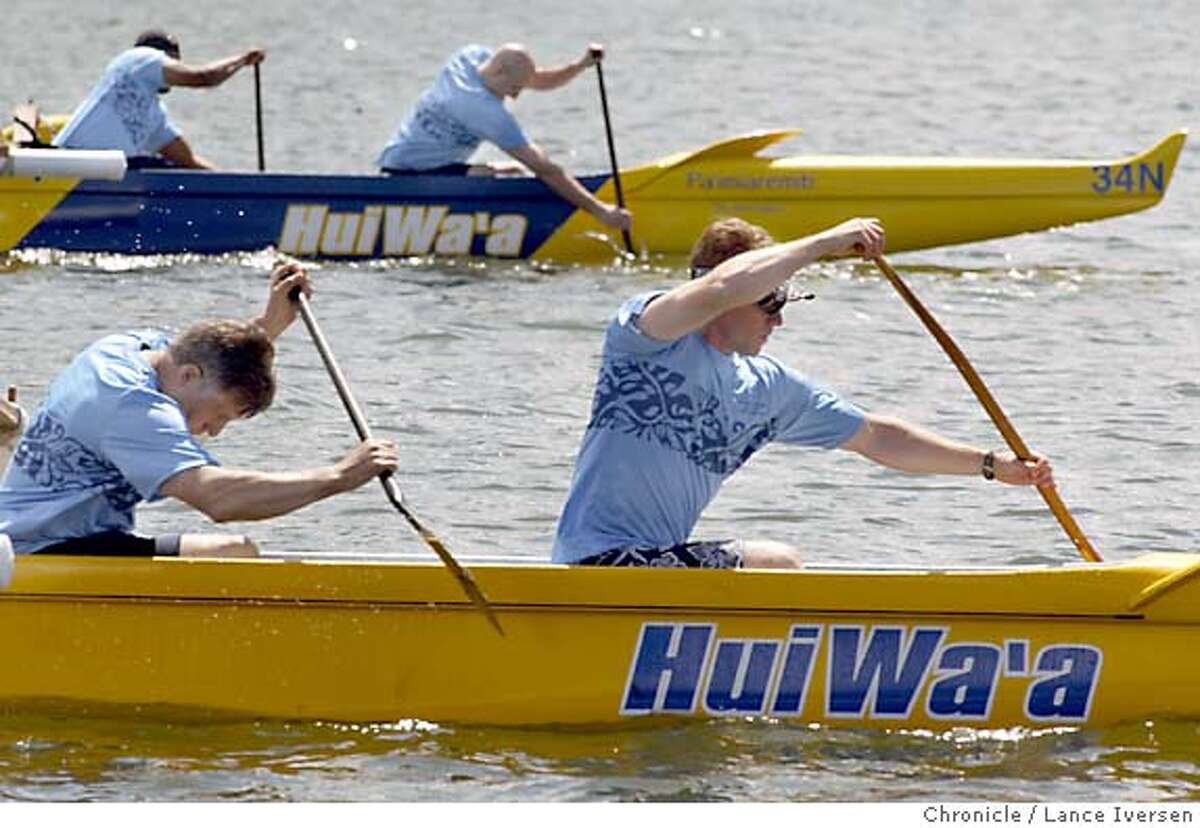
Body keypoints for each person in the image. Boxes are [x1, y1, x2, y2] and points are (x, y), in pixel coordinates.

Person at [552, 216, 1055, 569]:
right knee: (778, 562)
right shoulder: (646, 337)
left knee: (771, 562)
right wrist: (823, 243)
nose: (779, 318)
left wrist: (992, 465)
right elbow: (722, 290)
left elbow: (877, 438)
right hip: (597, 564)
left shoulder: (768, 388)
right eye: (771, 300)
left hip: (656, 569)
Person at [0, 263, 399, 558]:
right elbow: (219, 501)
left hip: (45, 532)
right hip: (39, 551)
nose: (213, 431)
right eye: (219, 414)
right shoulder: (135, 410)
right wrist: (339, 476)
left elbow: (208, 350)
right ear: (189, 376)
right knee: (231, 552)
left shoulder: (130, 348)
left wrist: (266, 327)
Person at [377, 43, 632, 233]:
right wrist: (601, 210)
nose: (516, 97)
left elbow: (538, 79)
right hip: (412, 178)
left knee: (512, 170)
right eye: (514, 89)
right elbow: (545, 168)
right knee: (522, 169)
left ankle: (479, 172)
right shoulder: (484, 110)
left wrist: (580, 65)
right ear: (500, 72)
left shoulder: (470, 58)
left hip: (402, 157)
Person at [53, 29, 264, 169]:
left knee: (170, 169)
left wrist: (239, 188)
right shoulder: (139, 59)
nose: (177, 68)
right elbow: (203, 77)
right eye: (175, 62)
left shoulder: (155, 117)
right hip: (67, 169)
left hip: (102, 176)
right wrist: (242, 59)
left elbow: (188, 162)